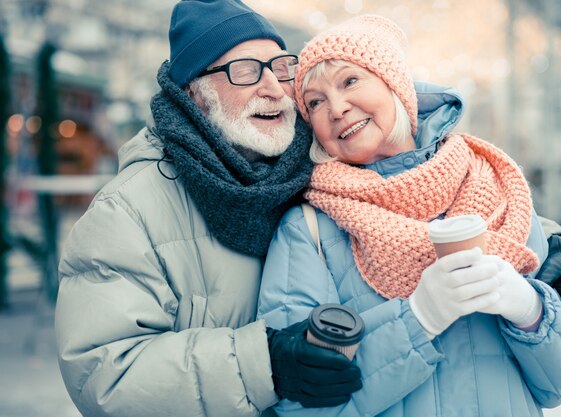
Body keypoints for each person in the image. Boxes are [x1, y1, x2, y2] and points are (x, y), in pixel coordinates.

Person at [257, 14, 561, 417]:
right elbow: (301, 408)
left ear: (395, 86)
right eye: (314, 102)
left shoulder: (495, 188)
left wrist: (529, 310)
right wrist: (417, 320)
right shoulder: (308, 231)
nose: (336, 108)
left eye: (350, 81)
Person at [54, 1, 363, 416]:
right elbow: (105, 374)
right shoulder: (126, 212)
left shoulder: (327, 176)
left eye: (280, 67)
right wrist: (265, 365)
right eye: (246, 71)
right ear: (194, 95)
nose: (273, 87)